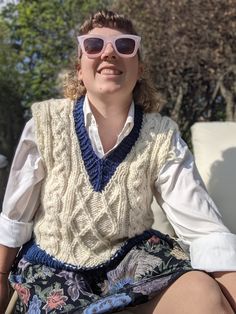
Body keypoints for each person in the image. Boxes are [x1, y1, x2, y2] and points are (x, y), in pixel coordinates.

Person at [0, 9, 236, 314]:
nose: (109, 52)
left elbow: (204, 230)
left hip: (135, 263)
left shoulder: (161, 136)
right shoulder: (45, 124)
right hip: (54, 273)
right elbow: (15, 218)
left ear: (139, 70)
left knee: (203, 293)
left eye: (125, 46)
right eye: (94, 45)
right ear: (80, 70)